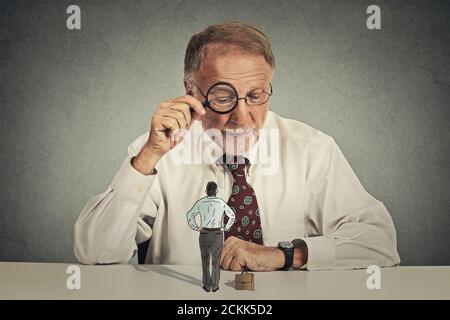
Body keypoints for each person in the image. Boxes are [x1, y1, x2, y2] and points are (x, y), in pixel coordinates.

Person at [74, 21, 400, 271]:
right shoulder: (158, 152)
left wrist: (286, 255)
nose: (242, 117)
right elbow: (95, 254)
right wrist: (148, 157)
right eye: (222, 96)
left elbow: (380, 243)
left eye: (256, 96)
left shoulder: (312, 149)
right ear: (190, 89)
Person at [186, 181, 236, 292]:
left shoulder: (201, 202)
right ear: (216, 191)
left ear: (206, 191)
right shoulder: (221, 202)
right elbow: (232, 215)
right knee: (216, 261)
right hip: (218, 234)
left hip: (204, 233)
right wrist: (226, 228)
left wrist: (196, 227)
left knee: (205, 260)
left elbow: (190, 215)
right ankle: (215, 285)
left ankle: (207, 285)